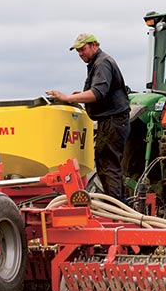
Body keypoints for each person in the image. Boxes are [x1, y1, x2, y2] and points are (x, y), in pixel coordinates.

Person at [46, 33, 130, 204]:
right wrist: (80, 95)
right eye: (77, 51)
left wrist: (67, 98)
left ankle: (116, 208)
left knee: (107, 165)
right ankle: (118, 205)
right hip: (113, 120)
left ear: (94, 45)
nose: (80, 54)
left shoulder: (102, 63)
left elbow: (98, 93)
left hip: (113, 121)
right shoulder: (98, 63)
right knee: (106, 163)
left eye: (82, 49)